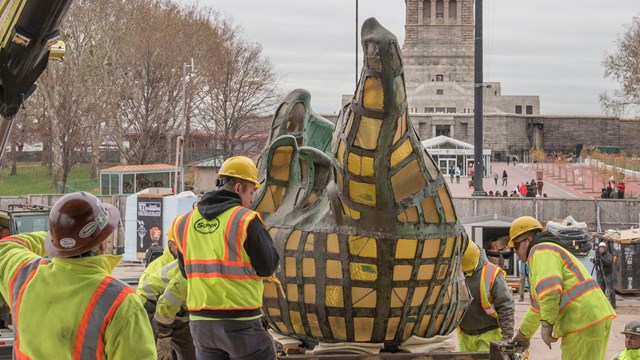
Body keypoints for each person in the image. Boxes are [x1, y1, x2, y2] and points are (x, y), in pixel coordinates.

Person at [0, 192, 156, 358]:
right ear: (102, 244)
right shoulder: (121, 302)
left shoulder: (24, 275)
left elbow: (7, 245)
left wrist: (60, 238)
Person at [172, 156, 280, 359]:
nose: (251, 200)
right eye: (251, 192)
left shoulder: (182, 223)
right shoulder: (245, 220)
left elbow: (186, 272)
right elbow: (268, 267)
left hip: (200, 325)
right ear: (239, 188)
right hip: (241, 322)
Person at [508, 216, 616, 359]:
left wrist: (547, 324)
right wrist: (524, 335)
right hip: (590, 318)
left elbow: (550, 291)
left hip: (581, 320)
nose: (515, 251)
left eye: (516, 245)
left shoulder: (541, 250)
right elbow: (537, 308)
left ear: (528, 240)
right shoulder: (546, 252)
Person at [137, 238, 195, 360]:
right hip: (152, 307)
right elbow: (165, 307)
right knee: (160, 353)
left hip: (174, 310)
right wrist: (164, 337)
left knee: (191, 351)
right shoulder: (187, 272)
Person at [457, 242, 514, 351]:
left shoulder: (492, 273)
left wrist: (507, 335)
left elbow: (506, 304)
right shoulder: (456, 271)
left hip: (488, 334)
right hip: (463, 334)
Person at [592, 242, 616, 309]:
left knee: (610, 289)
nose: (601, 249)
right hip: (601, 275)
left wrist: (601, 259)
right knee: (601, 289)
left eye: (602, 248)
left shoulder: (608, 255)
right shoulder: (599, 255)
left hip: (608, 275)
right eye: (600, 248)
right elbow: (597, 264)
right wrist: (595, 260)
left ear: (605, 248)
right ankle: (602, 304)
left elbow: (609, 263)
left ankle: (613, 304)